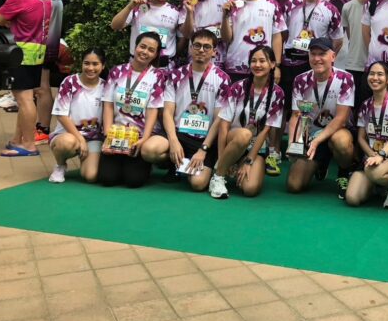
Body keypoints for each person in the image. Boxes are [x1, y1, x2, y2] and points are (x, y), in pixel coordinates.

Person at [140, 29, 230, 191]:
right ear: (190, 48)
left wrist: (203, 149)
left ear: (214, 52)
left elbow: (219, 119)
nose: (201, 50)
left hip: (203, 139)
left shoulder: (222, 79)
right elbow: (168, 112)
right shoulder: (175, 75)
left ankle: (189, 163)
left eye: (206, 47)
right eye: (197, 45)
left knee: (198, 184)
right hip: (178, 133)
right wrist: (173, 141)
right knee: (149, 151)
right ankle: (174, 163)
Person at [275, 0, 343, 175]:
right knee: (284, 108)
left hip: (313, 64)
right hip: (289, 63)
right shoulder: (290, 5)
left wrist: (325, 59)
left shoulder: (330, 10)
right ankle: (276, 150)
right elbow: (281, 33)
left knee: (306, 108)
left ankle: (306, 148)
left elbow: (338, 40)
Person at [0, 0, 52, 158]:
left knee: (24, 99)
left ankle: (28, 144)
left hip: (21, 53)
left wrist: (11, 22)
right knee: (26, 98)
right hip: (38, 52)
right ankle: (18, 139)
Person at [210, 45, 285, 198]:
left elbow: (265, 131)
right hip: (234, 139)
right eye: (253, 61)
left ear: (272, 64)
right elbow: (224, 125)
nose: (257, 65)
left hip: (255, 148)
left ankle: (239, 164)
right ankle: (218, 176)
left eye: (262, 61)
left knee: (250, 189)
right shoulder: (237, 87)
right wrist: (221, 158)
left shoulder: (278, 93)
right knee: (245, 134)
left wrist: (249, 161)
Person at [286, 38, 355, 198]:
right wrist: (293, 143)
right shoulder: (300, 80)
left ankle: (343, 173)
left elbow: (341, 118)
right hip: (311, 135)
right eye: (313, 54)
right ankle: (321, 164)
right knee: (294, 185)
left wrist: (317, 141)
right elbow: (296, 115)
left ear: (333, 56)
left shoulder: (345, 79)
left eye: (322, 54)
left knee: (341, 142)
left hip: (337, 132)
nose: (317, 58)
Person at [99, 32, 166, 188]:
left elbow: (152, 110)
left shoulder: (157, 76)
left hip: (139, 136)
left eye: (151, 50)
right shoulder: (117, 71)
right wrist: (108, 134)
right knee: (107, 179)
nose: (145, 52)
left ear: (155, 54)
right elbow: (108, 104)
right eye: (142, 46)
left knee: (133, 181)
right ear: (135, 47)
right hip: (116, 134)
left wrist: (145, 138)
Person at [345, 61, 388, 208]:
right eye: (372, 74)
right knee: (352, 198)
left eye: (380, 74)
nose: (375, 78)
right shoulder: (365, 106)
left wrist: (381, 155)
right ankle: (377, 185)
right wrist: (372, 155)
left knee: (375, 172)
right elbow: (361, 138)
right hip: (371, 158)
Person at [47, 48, 106, 183]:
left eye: (95, 64)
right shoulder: (69, 82)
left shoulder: (106, 86)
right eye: (87, 63)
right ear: (81, 63)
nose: (90, 68)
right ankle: (60, 165)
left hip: (93, 138)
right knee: (67, 143)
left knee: (91, 176)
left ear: (103, 66)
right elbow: (61, 115)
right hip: (68, 135)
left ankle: (85, 159)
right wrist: (80, 139)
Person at [221, 0, 285, 83]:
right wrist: (225, 16)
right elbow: (226, 38)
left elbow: (277, 36)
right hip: (235, 66)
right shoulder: (232, 5)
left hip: (263, 68)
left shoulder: (271, 4)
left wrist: (276, 66)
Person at [110, 0, 180, 68]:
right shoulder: (137, 7)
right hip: (138, 64)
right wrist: (129, 7)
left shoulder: (175, 11)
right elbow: (115, 26)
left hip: (165, 67)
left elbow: (183, 37)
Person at [179, 0, 230, 68]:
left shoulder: (228, 0)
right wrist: (190, 12)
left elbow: (229, 37)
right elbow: (187, 34)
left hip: (219, 63)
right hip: (194, 60)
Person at [34, 0, 64, 145]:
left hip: (40, 46)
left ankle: (43, 129)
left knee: (41, 88)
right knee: (42, 87)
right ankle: (41, 128)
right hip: (50, 45)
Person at [341, 0, 376, 117]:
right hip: (353, 66)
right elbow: (351, 36)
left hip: (375, 67)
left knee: (375, 111)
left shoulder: (380, 4)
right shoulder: (347, 7)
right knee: (355, 113)